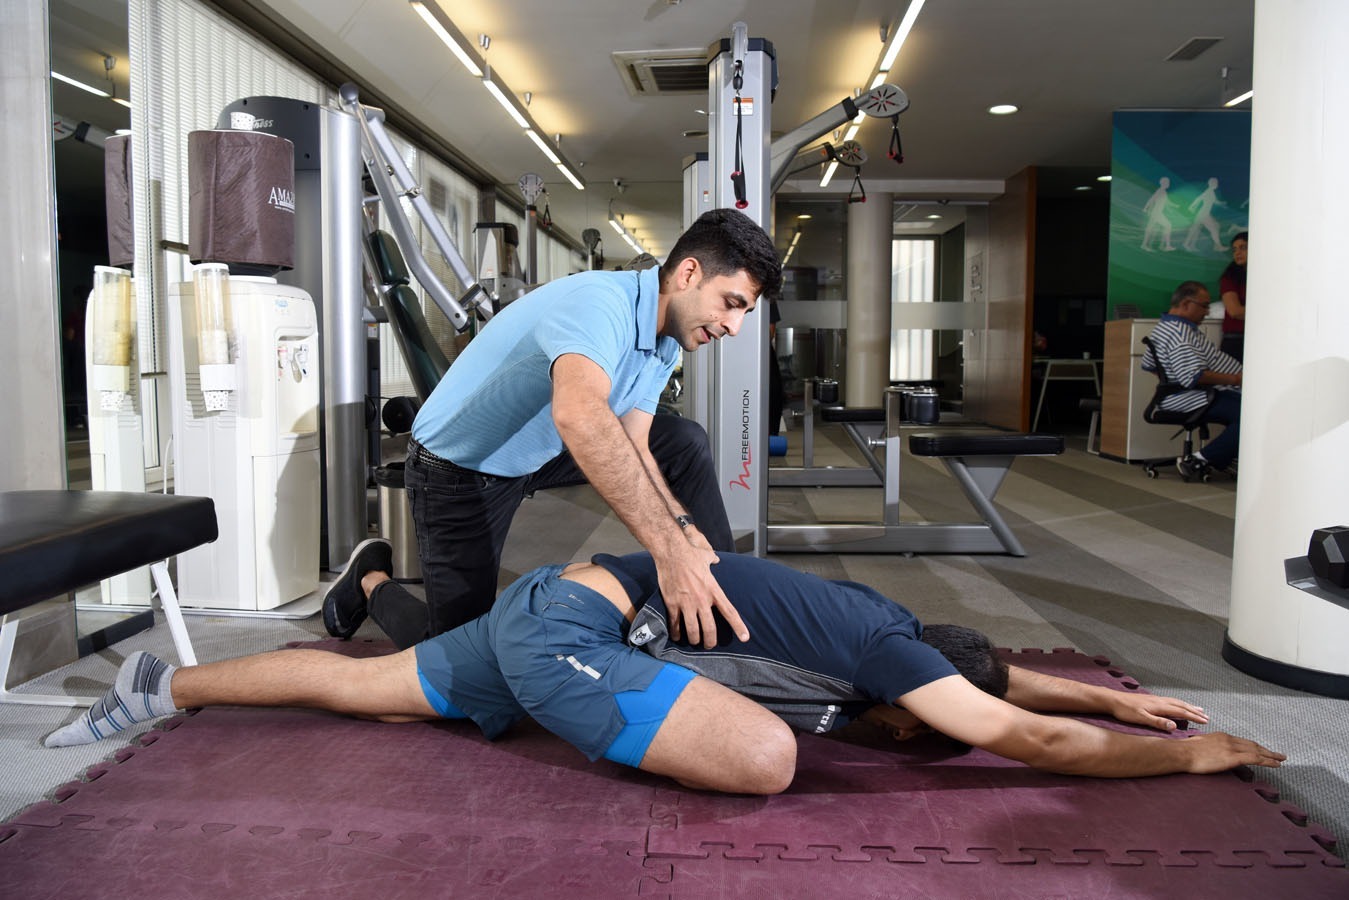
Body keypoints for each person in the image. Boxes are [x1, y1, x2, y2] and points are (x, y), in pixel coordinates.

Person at [48, 552, 1283, 795]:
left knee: (361, 688)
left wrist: (1115, 696)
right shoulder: (901, 665)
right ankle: (546, 694)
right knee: (767, 758)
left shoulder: (892, 633)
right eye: (921, 731)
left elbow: (1012, 684)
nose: (909, 743)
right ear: (909, 704)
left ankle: (163, 683)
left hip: (567, 600)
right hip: (582, 626)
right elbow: (1027, 739)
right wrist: (1192, 751)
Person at [327, 208, 782, 652]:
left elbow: (636, 444)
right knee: (458, 667)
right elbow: (580, 415)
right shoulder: (600, 304)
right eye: (732, 303)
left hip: (537, 448)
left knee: (682, 440)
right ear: (687, 274)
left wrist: (683, 530)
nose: (735, 327)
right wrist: (669, 552)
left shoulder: (668, 341)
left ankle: (734, 604)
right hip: (459, 467)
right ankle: (370, 582)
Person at [1144, 281, 1242, 478]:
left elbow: (1151, 365)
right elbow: (1194, 376)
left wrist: (1170, 380)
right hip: (1189, 396)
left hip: (1181, 394)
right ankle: (1201, 460)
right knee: (1252, 415)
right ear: (1187, 304)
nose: (1207, 311)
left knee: (1246, 411)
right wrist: (1236, 379)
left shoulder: (1164, 327)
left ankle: (1222, 455)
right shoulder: (1180, 333)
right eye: (1204, 305)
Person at [1218, 232, 1248, 361]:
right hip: (1236, 340)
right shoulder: (1230, 277)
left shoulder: (1268, 274)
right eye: (1234, 249)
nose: (1237, 253)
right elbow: (1235, 311)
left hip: (1264, 339)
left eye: (1243, 248)